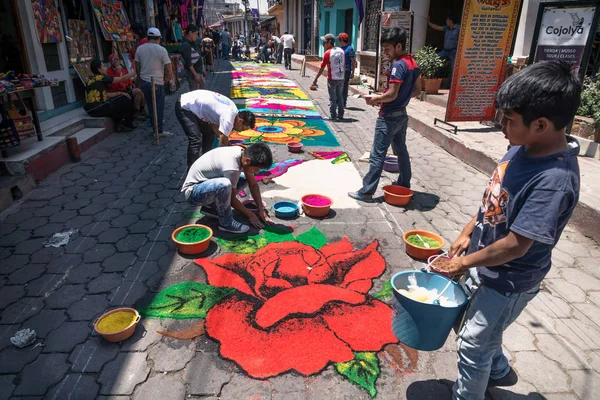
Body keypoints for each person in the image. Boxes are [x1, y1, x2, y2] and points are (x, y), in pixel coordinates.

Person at [439, 60, 582, 400]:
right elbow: (493, 199)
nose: (499, 123)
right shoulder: (521, 147)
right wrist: (466, 233)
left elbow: (517, 245)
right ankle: (499, 369)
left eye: (508, 119)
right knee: (471, 321)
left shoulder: (554, 181)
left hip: (509, 280)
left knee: (472, 345)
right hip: (483, 262)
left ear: (541, 125)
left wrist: (462, 263)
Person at [348, 27, 421, 201]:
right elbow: (417, 91)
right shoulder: (413, 62)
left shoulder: (398, 66)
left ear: (399, 46)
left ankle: (367, 191)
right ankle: (404, 183)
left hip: (389, 117)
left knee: (377, 154)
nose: (385, 52)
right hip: (401, 115)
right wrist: (400, 97)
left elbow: (392, 94)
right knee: (401, 150)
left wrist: (375, 98)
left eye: (388, 48)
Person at [181, 143, 273, 234]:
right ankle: (226, 223)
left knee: (244, 178)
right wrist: (251, 215)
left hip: (207, 184)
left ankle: (211, 207)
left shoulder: (242, 153)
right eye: (256, 169)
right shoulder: (232, 167)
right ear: (248, 160)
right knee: (224, 185)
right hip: (193, 192)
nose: (256, 172)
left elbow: (253, 185)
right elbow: (232, 199)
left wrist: (261, 210)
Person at [176, 89, 257, 168]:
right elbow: (222, 146)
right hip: (184, 106)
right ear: (240, 120)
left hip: (194, 106)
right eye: (242, 129)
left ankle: (204, 164)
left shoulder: (234, 110)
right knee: (196, 140)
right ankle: (191, 173)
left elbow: (215, 127)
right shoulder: (228, 118)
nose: (239, 131)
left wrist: (227, 143)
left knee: (209, 134)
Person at [135, 27, 173, 137]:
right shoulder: (161, 50)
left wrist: (139, 79)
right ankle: (159, 131)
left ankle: (154, 128)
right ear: (158, 38)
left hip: (145, 81)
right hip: (157, 82)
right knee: (159, 107)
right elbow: (168, 67)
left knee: (151, 106)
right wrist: (167, 78)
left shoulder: (140, 49)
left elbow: (137, 66)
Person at [84, 60, 136, 132]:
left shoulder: (90, 80)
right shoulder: (101, 78)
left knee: (120, 99)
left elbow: (104, 94)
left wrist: (119, 93)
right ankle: (127, 124)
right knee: (125, 100)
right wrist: (135, 72)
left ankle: (120, 125)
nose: (106, 68)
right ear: (99, 69)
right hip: (99, 108)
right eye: (103, 66)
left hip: (91, 109)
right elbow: (122, 79)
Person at [311, 34, 346, 120]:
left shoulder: (328, 53)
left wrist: (315, 79)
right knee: (340, 96)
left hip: (332, 78)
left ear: (329, 42)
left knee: (333, 98)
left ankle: (333, 115)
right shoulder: (341, 50)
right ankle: (341, 114)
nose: (323, 44)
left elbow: (322, 68)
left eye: (324, 42)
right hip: (341, 77)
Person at [105, 53, 146, 120]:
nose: (116, 61)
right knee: (136, 92)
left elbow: (128, 81)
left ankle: (138, 110)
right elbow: (113, 85)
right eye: (113, 60)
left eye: (117, 59)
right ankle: (138, 111)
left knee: (139, 91)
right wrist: (118, 73)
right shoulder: (108, 72)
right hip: (116, 91)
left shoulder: (123, 70)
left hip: (125, 89)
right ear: (110, 62)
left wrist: (131, 84)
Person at [180, 24, 206, 91]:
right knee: (195, 93)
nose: (196, 36)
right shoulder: (185, 45)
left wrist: (203, 69)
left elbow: (200, 56)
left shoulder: (194, 43)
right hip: (193, 74)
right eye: (195, 34)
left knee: (203, 91)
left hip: (199, 71)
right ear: (190, 33)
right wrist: (195, 75)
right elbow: (188, 62)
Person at [338, 32, 357, 109]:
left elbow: (353, 61)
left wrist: (352, 72)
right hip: (339, 71)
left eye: (339, 40)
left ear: (342, 40)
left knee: (344, 87)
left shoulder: (350, 49)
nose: (339, 42)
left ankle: (343, 103)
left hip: (346, 71)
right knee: (338, 86)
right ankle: (337, 102)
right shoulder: (340, 49)